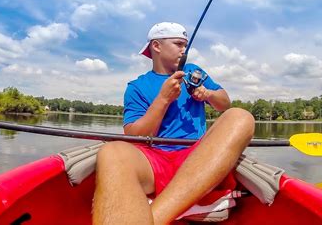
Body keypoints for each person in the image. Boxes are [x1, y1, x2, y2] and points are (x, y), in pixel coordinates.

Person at [93, 22, 255, 224]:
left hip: (199, 158)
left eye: (185, 45)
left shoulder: (194, 71)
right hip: (153, 160)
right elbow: (133, 135)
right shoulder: (136, 87)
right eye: (178, 44)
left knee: (240, 117)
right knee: (112, 151)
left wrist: (209, 94)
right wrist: (163, 99)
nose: (183, 50)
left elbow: (224, 104)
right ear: (157, 46)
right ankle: (183, 207)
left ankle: (154, 216)